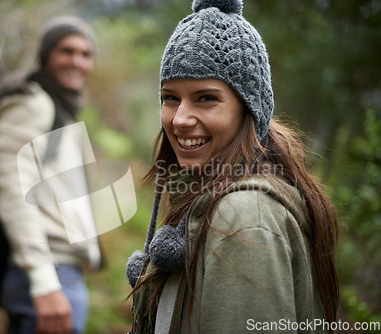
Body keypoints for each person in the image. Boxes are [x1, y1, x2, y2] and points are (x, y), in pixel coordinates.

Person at [126, 0, 339, 333]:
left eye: (206, 98)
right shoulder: (202, 190)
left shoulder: (243, 218)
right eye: (170, 97)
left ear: (248, 108)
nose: (179, 119)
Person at [0, 16, 102, 334]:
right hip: (47, 273)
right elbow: (12, 188)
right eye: (66, 50)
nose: (77, 61)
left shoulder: (58, 107)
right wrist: (42, 281)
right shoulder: (30, 103)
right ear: (47, 54)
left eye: (85, 53)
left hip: (63, 272)